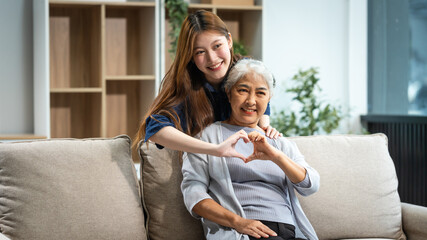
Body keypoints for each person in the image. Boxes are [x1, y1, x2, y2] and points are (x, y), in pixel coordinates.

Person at [181, 59, 320, 240]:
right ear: (229, 93)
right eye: (243, 90)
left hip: (287, 232)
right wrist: (238, 222)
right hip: (241, 232)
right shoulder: (207, 138)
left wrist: (275, 155)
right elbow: (194, 195)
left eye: (260, 93)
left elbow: (311, 185)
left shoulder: (278, 142)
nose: (251, 101)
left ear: (269, 98)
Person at [134, 10, 280, 160]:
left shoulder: (246, 70)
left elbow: (264, 88)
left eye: (217, 46)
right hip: (207, 164)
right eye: (200, 52)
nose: (212, 59)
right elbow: (155, 128)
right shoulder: (187, 86)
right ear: (190, 56)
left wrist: (264, 126)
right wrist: (215, 150)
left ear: (229, 40)